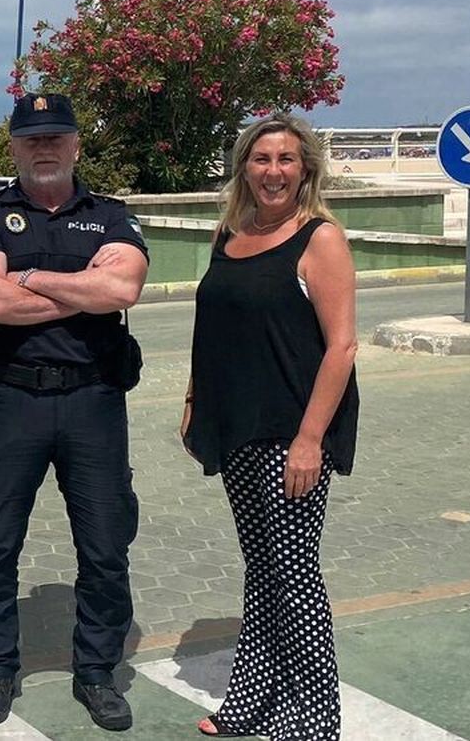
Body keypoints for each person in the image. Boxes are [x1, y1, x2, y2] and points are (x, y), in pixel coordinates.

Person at [0, 92, 150, 731]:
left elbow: (123, 288)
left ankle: (96, 673)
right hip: (9, 399)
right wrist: (79, 290)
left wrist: (29, 276)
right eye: (31, 138)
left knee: (103, 545)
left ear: (75, 144)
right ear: (13, 147)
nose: (44, 147)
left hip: (94, 400)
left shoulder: (111, 216)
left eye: (55, 137)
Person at [182, 113, 359, 740]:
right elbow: (217, 328)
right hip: (237, 424)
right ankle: (250, 704)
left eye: (286, 159)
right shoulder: (230, 234)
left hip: (292, 428)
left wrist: (310, 440)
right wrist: (194, 398)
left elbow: (341, 349)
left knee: (295, 571)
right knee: (262, 565)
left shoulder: (319, 238)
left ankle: (315, 717)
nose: (273, 172)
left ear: (305, 167)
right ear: (243, 167)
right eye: (261, 159)